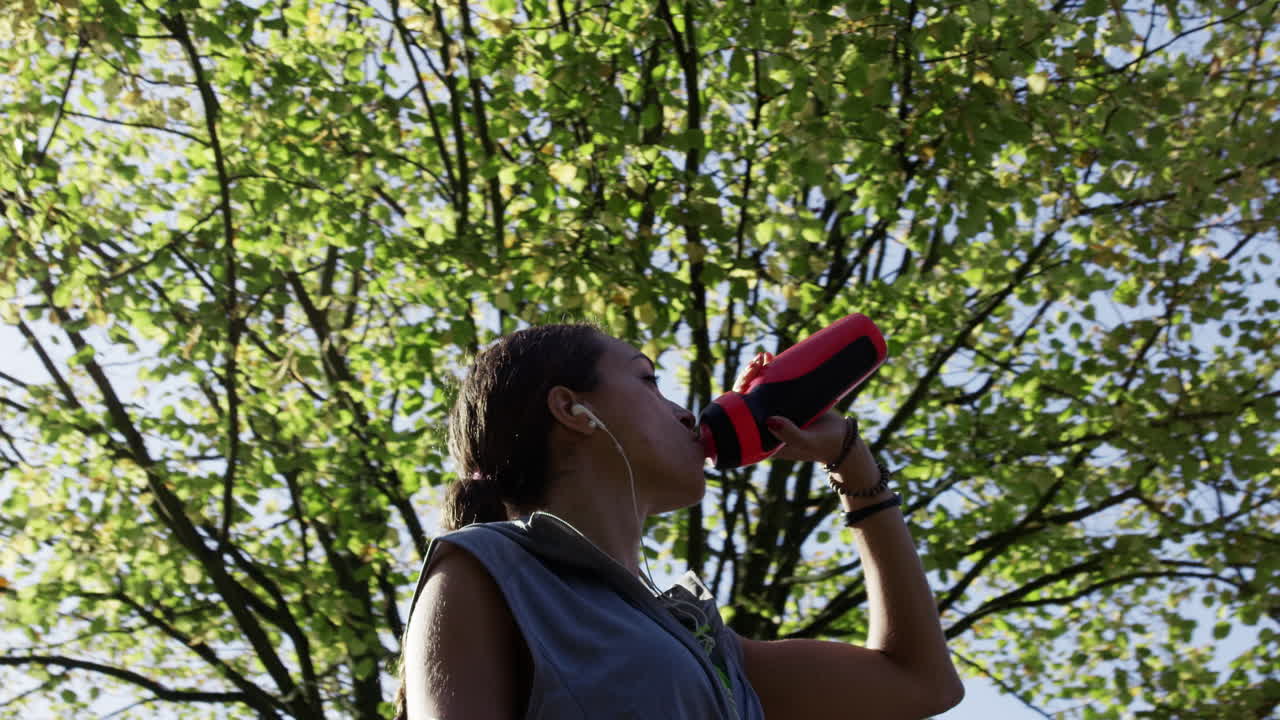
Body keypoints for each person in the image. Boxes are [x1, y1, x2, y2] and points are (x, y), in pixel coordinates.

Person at [395, 323, 964, 719]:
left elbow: (921, 682)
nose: (688, 411)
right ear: (573, 409)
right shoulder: (483, 569)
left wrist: (850, 462)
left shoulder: (707, 648)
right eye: (648, 380)